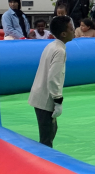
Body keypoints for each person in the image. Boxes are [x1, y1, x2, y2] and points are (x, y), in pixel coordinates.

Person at [28, 15, 73, 147]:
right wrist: (58, 100)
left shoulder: (51, 45)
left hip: (39, 96)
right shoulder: (59, 51)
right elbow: (54, 78)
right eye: (71, 28)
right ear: (63, 33)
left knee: (50, 131)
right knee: (47, 138)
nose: (74, 30)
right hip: (45, 99)